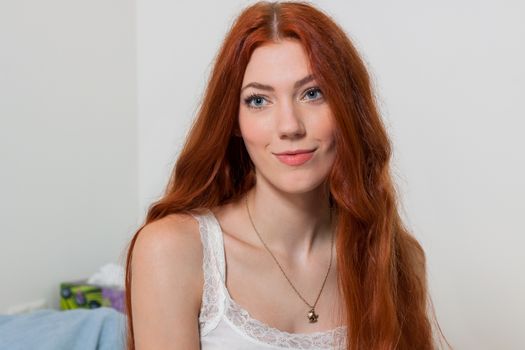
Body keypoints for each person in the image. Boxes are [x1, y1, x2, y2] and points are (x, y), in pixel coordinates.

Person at [124, 1, 451, 349]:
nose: (290, 126)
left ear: (347, 108)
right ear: (233, 121)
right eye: (259, 101)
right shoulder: (172, 251)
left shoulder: (396, 258)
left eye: (313, 93)